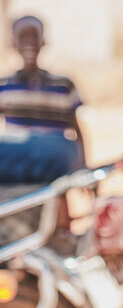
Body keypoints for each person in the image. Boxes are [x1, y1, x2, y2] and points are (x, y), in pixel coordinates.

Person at [0, 16, 85, 183]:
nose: (29, 42)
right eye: (22, 37)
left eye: (34, 36)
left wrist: (84, 166)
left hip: (53, 161)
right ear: (13, 43)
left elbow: (77, 130)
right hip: (15, 162)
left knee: (60, 149)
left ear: (43, 41)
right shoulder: (4, 86)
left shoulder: (63, 85)